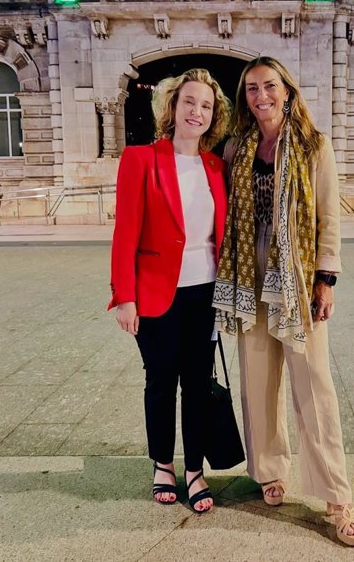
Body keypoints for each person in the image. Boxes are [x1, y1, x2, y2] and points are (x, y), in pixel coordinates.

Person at [213, 56, 354, 546]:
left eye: (270, 86)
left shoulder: (315, 146)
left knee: (314, 385)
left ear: (288, 90)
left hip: (295, 277)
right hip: (247, 273)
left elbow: (327, 217)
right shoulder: (235, 147)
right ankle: (269, 470)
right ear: (245, 98)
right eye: (252, 89)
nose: (261, 96)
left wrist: (327, 279)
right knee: (258, 380)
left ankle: (337, 496)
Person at [109, 68, 230, 513]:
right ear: (172, 107)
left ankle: (195, 469)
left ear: (212, 116)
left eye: (206, 105)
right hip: (156, 292)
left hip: (205, 292)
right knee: (160, 381)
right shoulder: (140, 159)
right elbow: (125, 232)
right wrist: (125, 295)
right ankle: (163, 464)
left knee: (197, 384)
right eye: (189, 102)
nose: (196, 111)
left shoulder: (216, 166)